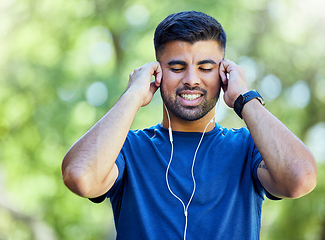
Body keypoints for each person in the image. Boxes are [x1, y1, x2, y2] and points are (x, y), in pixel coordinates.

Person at [62, 11, 317, 240]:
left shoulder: (248, 148)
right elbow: (80, 176)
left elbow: (301, 180)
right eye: (177, 67)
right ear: (157, 73)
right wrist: (132, 95)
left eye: (206, 68)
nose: (191, 80)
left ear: (224, 75)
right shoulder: (126, 148)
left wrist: (244, 98)